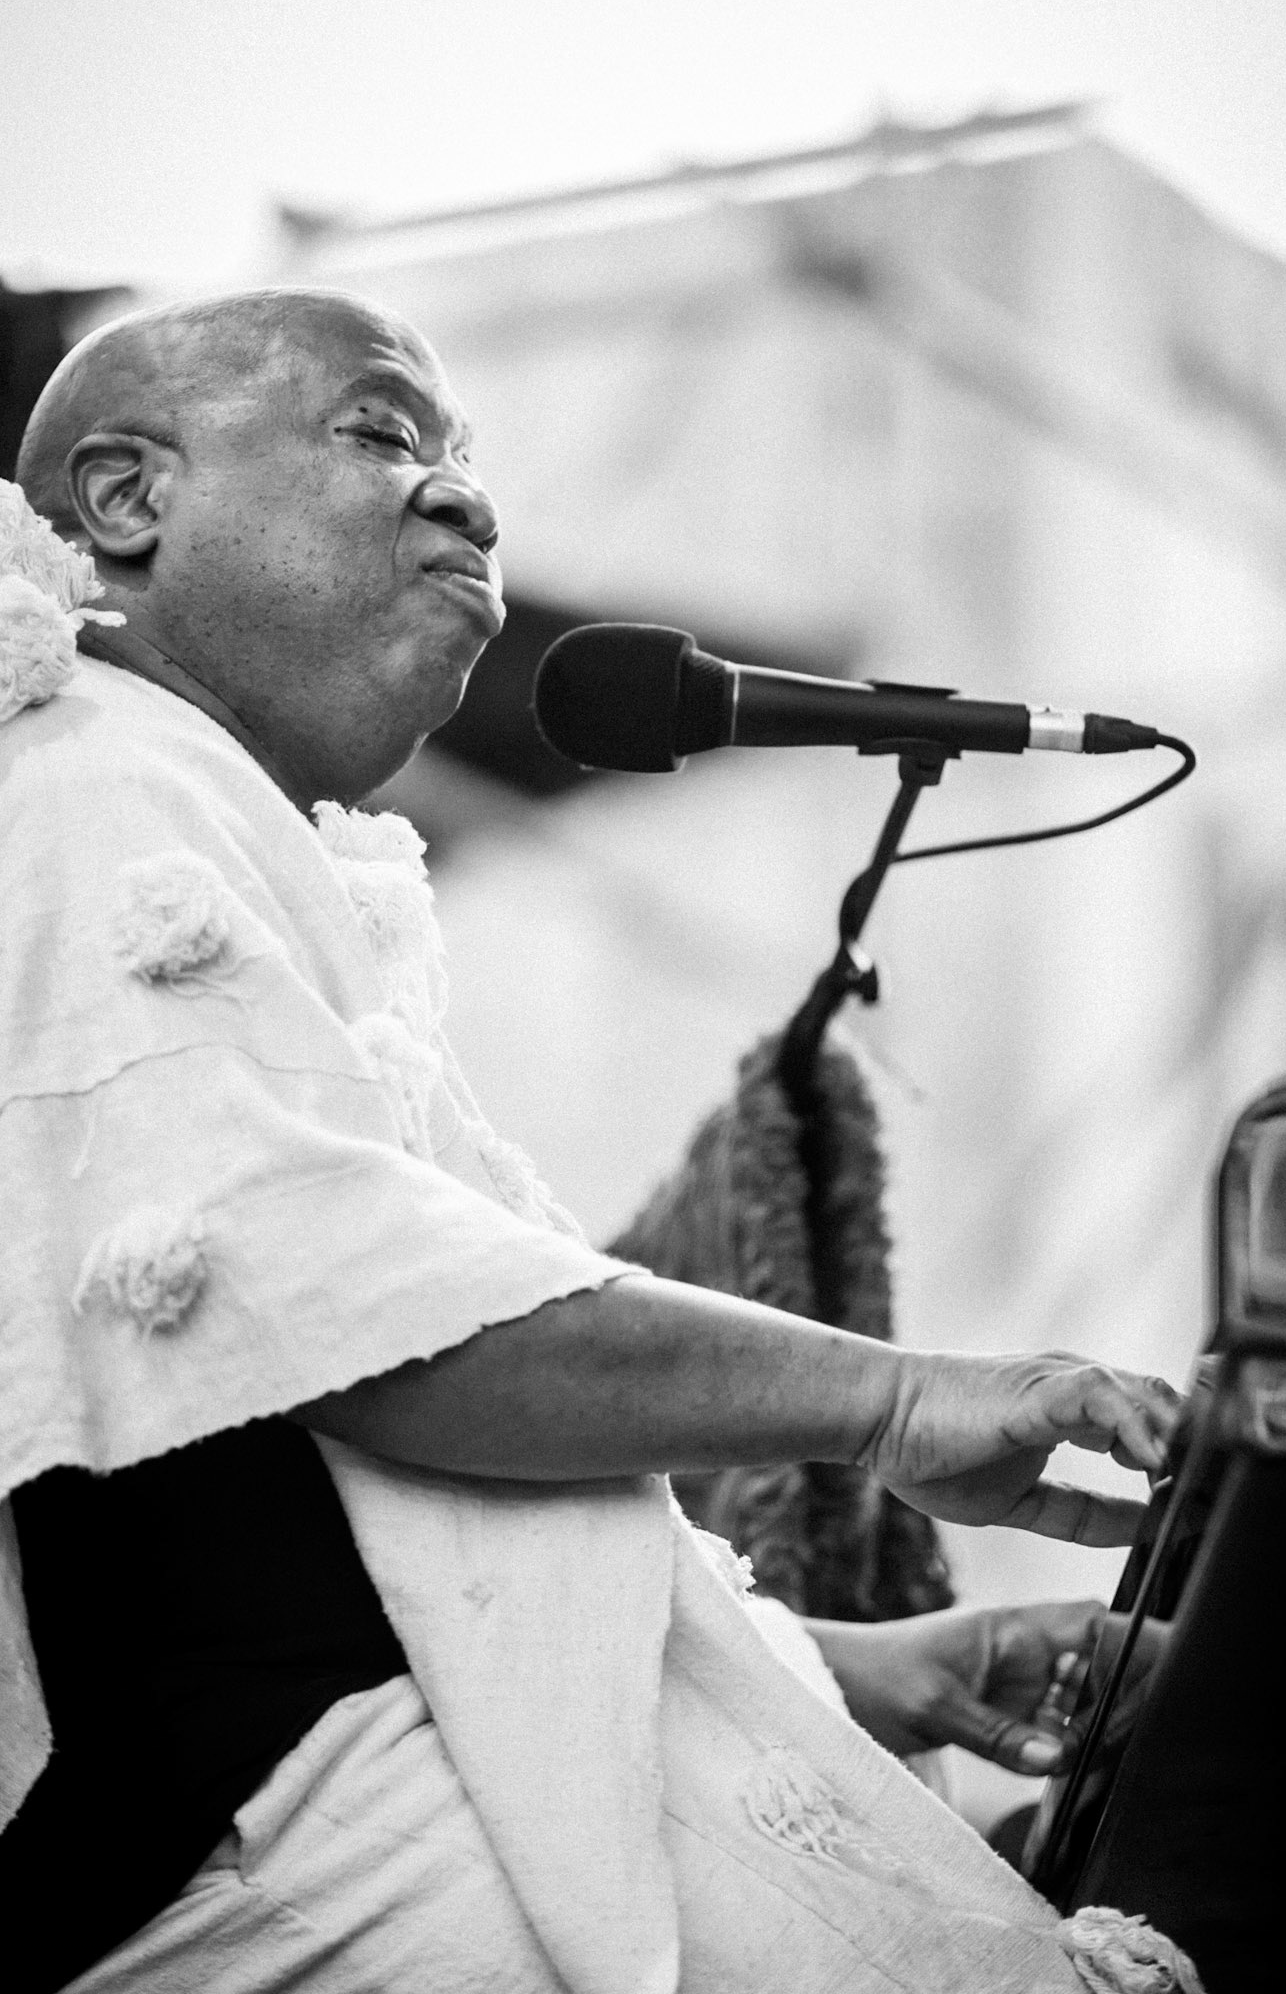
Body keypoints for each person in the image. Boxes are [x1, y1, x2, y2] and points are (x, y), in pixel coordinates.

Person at [0, 289, 1198, 1994]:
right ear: (127, 503)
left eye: (467, 460)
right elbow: (354, 1319)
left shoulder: (183, 803)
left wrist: (849, 1666)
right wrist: (898, 1398)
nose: (466, 499)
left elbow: (377, 1523)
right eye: (381, 433)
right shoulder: (82, 776)